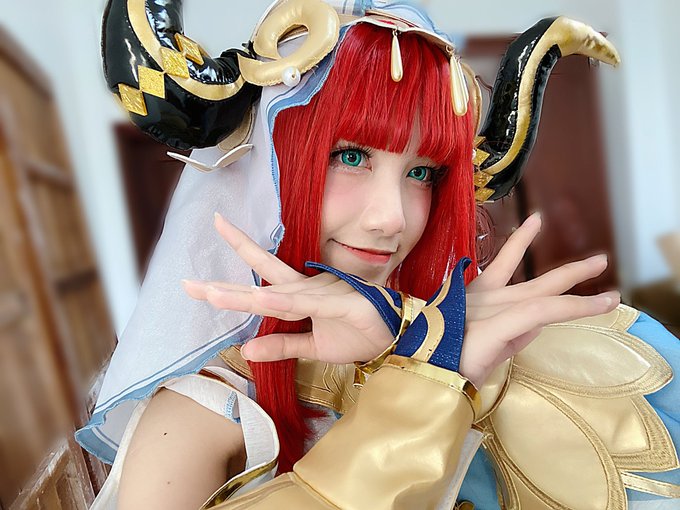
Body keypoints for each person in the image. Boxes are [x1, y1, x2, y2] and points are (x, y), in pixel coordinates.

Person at [78, 0, 680, 508]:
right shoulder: (199, 417)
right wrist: (423, 391)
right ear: (265, 172)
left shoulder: (473, 333)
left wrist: (455, 359)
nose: (392, 217)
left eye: (422, 171)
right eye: (350, 157)